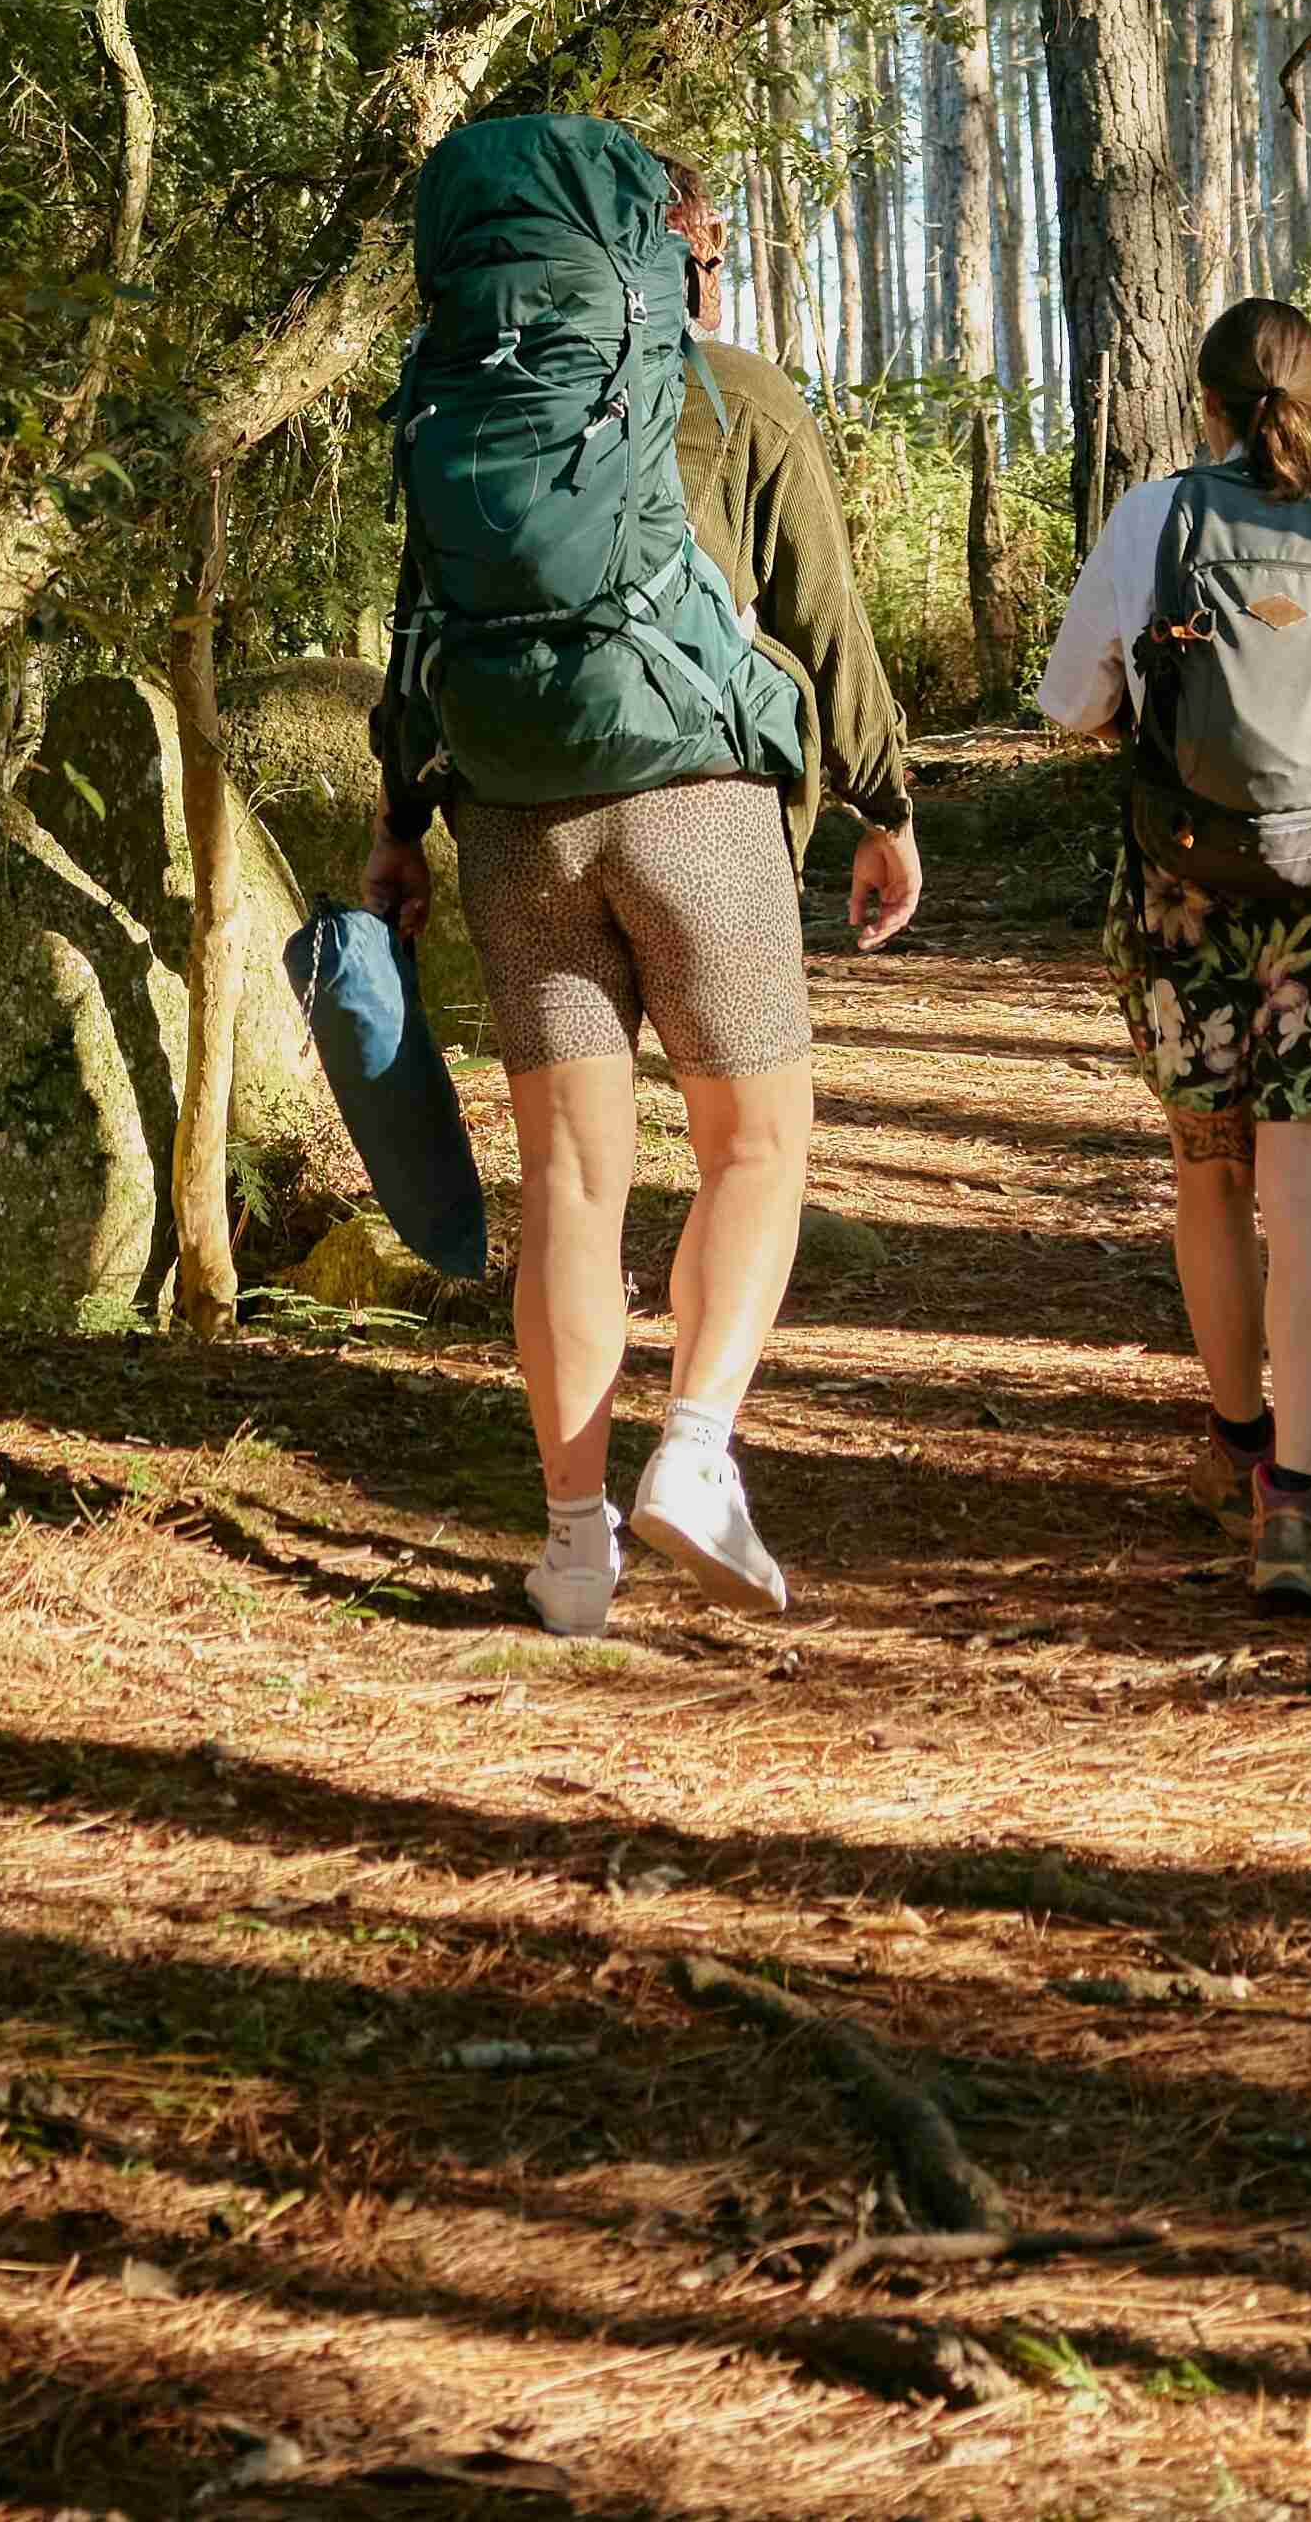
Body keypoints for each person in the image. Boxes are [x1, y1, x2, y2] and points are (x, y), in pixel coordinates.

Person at [370, 155, 925, 1633]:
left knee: (569, 1182)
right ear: (676, 253)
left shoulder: (457, 398)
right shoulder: (736, 391)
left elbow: (420, 618)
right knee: (757, 1144)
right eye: (716, 247)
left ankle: (570, 1546)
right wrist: (885, 798)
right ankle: (690, 1456)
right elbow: (823, 608)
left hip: (507, 820)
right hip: (700, 807)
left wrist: (397, 822)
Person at [1035, 295, 1311, 1610]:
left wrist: (1165, 733)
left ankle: (1231, 1446)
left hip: (1180, 894)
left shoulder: (1151, 523)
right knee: (1309, 1198)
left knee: (1206, 1171)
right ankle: (1295, 1497)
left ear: (1209, 404)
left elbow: (1073, 706)